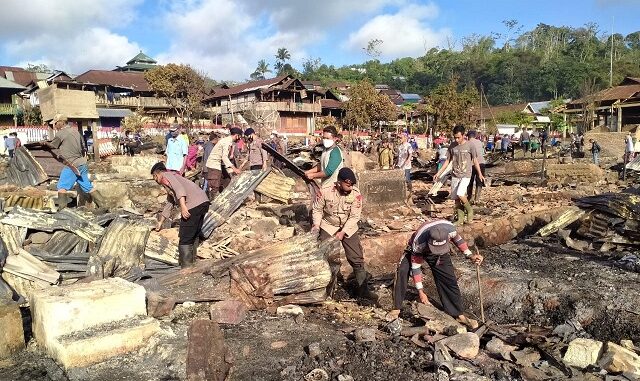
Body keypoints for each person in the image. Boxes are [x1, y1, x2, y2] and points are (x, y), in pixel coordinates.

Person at [386, 219, 483, 329]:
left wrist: (470, 256)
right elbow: (416, 268)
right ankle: (396, 308)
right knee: (403, 270)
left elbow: (458, 241)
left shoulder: (450, 230)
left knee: (449, 279)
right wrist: (421, 292)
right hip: (415, 251)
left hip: (440, 253)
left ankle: (457, 314)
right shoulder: (419, 243)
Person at [312, 167, 377, 302]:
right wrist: (316, 225)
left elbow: (354, 216)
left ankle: (363, 291)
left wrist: (343, 232)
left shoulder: (356, 194)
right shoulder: (325, 191)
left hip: (348, 226)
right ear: (339, 182)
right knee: (327, 257)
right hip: (328, 225)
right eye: (347, 185)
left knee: (356, 258)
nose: (350, 187)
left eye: (352, 185)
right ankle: (326, 291)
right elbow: (317, 209)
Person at [151, 162, 210, 268]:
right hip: (203, 201)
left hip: (194, 204)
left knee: (185, 236)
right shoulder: (170, 181)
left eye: (154, 177)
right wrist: (160, 222)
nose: (155, 180)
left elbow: (180, 190)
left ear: (158, 174)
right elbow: (170, 203)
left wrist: (183, 207)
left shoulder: (167, 176)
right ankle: (192, 264)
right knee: (194, 233)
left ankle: (186, 267)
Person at [45, 114, 107, 209]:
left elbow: (53, 146)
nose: (55, 126)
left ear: (61, 123)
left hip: (72, 164)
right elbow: (83, 148)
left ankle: (62, 210)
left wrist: (44, 143)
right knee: (87, 185)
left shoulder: (61, 134)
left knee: (61, 186)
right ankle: (103, 205)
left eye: (56, 123)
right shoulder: (76, 132)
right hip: (82, 163)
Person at [434, 125, 485, 225]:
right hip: (455, 174)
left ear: (463, 135)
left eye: (458, 137)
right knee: (456, 199)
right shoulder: (452, 146)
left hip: (466, 174)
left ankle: (470, 210)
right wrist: (438, 173)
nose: (457, 139)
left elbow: (475, 160)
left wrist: (480, 174)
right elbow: (448, 161)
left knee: (460, 193)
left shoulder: (470, 145)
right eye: (455, 137)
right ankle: (460, 219)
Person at [205, 127, 243, 198]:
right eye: (239, 137)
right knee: (214, 186)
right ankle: (212, 203)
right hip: (214, 165)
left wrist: (230, 169)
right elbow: (224, 157)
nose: (239, 139)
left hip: (219, 164)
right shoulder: (227, 142)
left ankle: (225, 198)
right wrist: (234, 169)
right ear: (236, 135)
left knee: (227, 181)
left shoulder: (228, 141)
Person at [466, 131, 486, 205]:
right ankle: (477, 199)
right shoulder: (480, 142)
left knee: (469, 181)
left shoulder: (467, 143)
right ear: (475, 136)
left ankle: (469, 197)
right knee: (479, 181)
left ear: (468, 136)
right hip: (481, 163)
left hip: (471, 164)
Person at [397, 133, 414, 200]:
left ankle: (410, 190)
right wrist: (395, 164)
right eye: (399, 138)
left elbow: (410, 154)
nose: (399, 139)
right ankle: (402, 192)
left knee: (407, 179)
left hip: (406, 166)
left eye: (401, 138)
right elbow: (399, 156)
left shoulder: (408, 145)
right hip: (399, 165)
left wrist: (408, 160)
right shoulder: (399, 146)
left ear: (405, 138)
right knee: (400, 179)